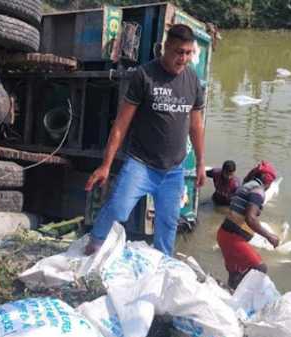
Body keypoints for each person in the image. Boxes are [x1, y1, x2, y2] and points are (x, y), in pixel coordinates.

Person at [83, 24, 206, 257]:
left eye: (188, 53)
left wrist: (200, 163)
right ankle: (95, 244)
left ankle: (162, 265)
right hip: (141, 164)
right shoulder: (145, 75)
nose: (184, 59)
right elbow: (121, 124)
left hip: (174, 170)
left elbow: (196, 126)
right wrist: (106, 164)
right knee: (119, 208)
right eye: (179, 52)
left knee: (168, 224)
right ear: (166, 48)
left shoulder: (193, 81)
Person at [217, 161, 280, 289]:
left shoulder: (247, 185)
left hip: (224, 234)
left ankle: (233, 296)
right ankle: (245, 297)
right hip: (233, 238)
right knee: (260, 268)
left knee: (235, 274)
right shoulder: (258, 191)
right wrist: (270, 236)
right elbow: (250, 218)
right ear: (267, 181)